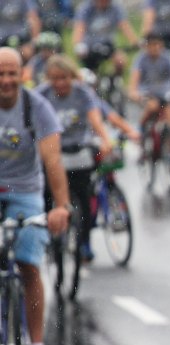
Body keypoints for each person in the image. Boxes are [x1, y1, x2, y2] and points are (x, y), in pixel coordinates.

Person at [0, 47, 70, 345]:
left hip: (25, 192)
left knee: (29, 264)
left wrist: (60, 207)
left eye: (12, 73)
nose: (6, 80)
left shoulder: (36, 108)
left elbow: (53, 161)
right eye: (1, 73)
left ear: (23, 74)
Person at [37, 54, 113, 262]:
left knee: (84, 197)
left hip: (79, 151)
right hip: (53, 153)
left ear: (72, 77)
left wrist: (105, 139)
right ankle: (47, 238)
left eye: (65, 78)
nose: (60, 83)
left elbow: (95, 119)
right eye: (55, 79)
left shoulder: (83, 94)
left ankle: (85, 242)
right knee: (46, 195)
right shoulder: (41, 96)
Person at [128, 32, 170, 173]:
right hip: (147, 92)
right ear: (146, 46)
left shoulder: (168, 57)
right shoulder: (141, 59)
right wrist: (133, 91)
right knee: (152, 107)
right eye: (151, 45)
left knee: (169, 121)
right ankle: (141, 136)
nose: (154, 48)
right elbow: (135, 78)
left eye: (157, 45)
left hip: (164, 92)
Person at [71, 0, 138, 75]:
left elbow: (124, 25)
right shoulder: (86, 8)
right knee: (90, 72)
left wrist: (134, 42)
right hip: (89, 46)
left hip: (108, 44)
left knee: (121, 61)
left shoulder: (116, 7)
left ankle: (114, 81)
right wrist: (77, 45)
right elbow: (80, 27)